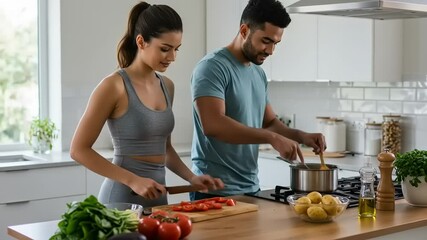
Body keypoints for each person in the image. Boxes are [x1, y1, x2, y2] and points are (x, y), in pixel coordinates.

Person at [70, 1, 223, 208]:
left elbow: (165, 149)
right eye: (165, 49)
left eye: (176, 49)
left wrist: (191, 178)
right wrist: (133, 179)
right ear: (141, 42)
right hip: (122, 199)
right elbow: (79, 150)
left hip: (159, 199)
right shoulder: (114, 86)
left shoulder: (167, 86)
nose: (173, 57)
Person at [190, 0, 326, 200]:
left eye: (275, 43)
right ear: (244, 30)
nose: (270, 51)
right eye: (265, 41)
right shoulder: (212, 67)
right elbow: (213, 124)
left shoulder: (258, 74)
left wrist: (301, 135)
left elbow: (269, 122)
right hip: (213, 191)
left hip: (251, 188)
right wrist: (271, 138)